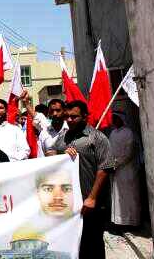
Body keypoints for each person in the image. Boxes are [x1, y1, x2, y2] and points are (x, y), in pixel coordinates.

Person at [54, 100, 113, 259]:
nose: (69, 120)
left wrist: (92, 198)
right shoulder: (63, 138)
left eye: (74, 117)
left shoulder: (97, 137)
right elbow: (52, 157)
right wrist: (62, 156)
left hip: (91, 204)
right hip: (69, 203)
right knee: (74, 246)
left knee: (92, 244)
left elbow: (105, 168)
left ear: (85, 116)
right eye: (67, 116)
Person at [109, 112, 141, 227]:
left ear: (122, 119)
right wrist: (111, 163)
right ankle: (119, 222)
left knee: (130, 196)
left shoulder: (128, 132)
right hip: (115, 170)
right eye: (113, 118)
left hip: (127, 169)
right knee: (118, 196)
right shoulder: (113, 133)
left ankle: (132, 222)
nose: (114, 120)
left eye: (116, 118)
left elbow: (129, 153)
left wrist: (117, 163)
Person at [22, 92, 68, 157]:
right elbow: (34, 115)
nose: (54, 114)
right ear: (48, 113)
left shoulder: (69, 129)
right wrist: (26, 102)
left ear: (64, 111)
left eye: (58, 110)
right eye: (52, 111)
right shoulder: (45, 127)